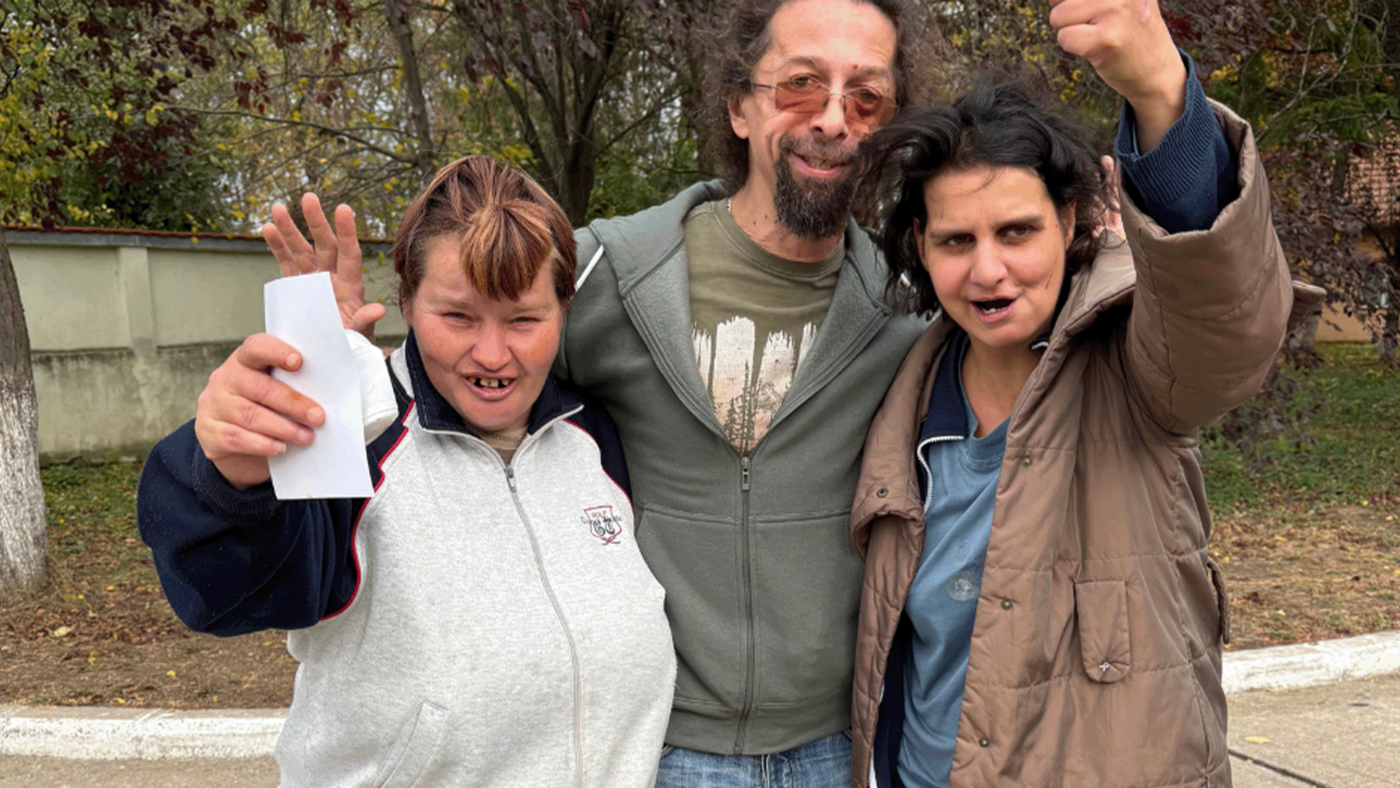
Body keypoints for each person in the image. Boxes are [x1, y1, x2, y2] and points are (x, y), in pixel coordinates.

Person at [262, 1, 1280, 785]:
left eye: (867, 97)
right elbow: (476, 366)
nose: (833, 118)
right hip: (674, 748)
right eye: (799, 84)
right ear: (740, 103)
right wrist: (335, 358)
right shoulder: (607, 274)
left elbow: (1208, 321)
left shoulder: (910, 314)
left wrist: (1157, 95)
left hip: (843, 746)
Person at [847, 16, 1325, 788]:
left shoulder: (1141, 366)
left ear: (1071, 219)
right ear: (921, 248)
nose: (989, 271)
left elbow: (1218, 313)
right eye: (956, 241)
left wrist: (1160, 91)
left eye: (1017, 231)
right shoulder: (904, 398)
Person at [137, 156, 676, 787]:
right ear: (408, 302)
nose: (493, 354)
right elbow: (228, 592)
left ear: (565, 307)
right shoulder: (358, 435)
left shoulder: (597, 440)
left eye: (524, 319)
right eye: (458, 316)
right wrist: (232, 473)